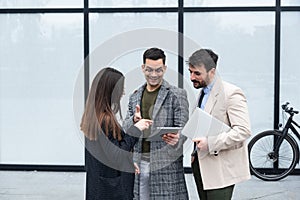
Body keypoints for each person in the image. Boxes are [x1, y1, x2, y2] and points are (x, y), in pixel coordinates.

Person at [123, 47, 189, 199]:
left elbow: (184, 129)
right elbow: (125, 128)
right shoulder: (135, 96)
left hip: (166, 165)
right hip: (139, 163)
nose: (153, 75)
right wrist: (134, 121)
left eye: (158, 70)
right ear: (143, 68)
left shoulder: (177, 95)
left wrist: (178, 138)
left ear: (165, 68)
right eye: (149, 70)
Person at [188, 49, 251, 200]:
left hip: (220, 170)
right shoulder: (202, 92)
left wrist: (210, 143)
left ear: (212, 71)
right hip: (201, 165)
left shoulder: (232, 93)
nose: (192, 77)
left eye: (197, 73)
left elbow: (243, 130)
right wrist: (194, 154)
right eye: (190, 72)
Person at [80, 67, 152, 200]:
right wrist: (136, 130)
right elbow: (117, 154)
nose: (123, 93)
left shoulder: (93, 116)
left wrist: (128, 162)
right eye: (121, 88)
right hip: (111, 189)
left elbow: (109, 149)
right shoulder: (105, 119)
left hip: (98, 185)